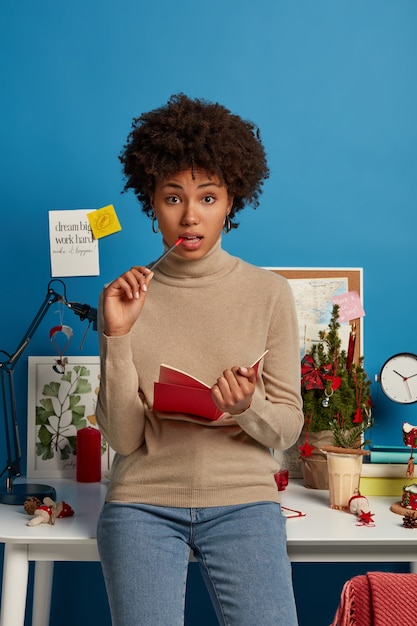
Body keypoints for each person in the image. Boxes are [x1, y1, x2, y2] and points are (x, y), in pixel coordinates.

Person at [96, 94, 303, 626]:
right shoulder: (125, 297)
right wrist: (115, 337)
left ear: (232, 200)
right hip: (141, 502)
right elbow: (122, 439)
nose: (190, 215)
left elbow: (286, 430)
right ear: (152, 204)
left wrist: (247, 405)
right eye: (173, 198)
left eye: (208, 197)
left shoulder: (270, 294)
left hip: (244, 502)